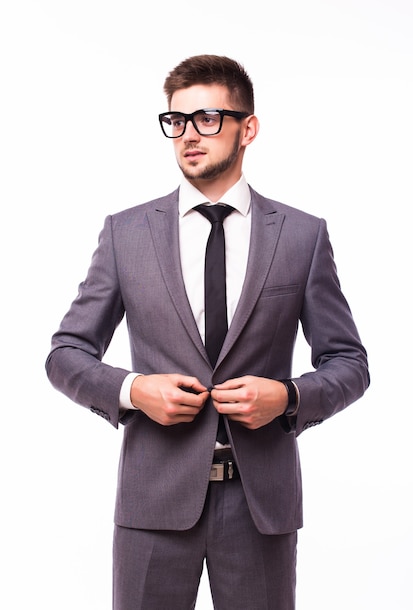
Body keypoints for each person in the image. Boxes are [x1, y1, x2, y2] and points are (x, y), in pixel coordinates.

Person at [46, 54, 370, 610]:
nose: (188, 135)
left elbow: (349, 362)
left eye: (207, 118)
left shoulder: (301, 236)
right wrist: (133, 390)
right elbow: (66, 354)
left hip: (259, 505)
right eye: (176, 121)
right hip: (153, 502)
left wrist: (289, 397)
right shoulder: (126, 233)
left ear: (249, 128)